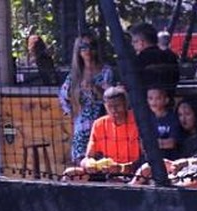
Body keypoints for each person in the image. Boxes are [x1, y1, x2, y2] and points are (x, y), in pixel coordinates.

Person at [58, 34, 114, 165]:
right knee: (81, 164)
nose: (87, 50)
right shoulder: (74, 74)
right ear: (78, 51)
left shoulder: (106, 71)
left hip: (102, 124)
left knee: (103, 164)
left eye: (91, 46)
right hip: (81, 127)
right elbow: (63, 96)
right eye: (83, 47)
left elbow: (111, 97)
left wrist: (95, 88)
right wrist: (71, 111)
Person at [64, 85, 140, 180]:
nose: (114, 110)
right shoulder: (99, 124)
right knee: (70, 174)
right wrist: (88, 164)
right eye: (110, 106)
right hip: (106, 172)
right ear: (105, 106)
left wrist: (121, 168)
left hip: (134, 173)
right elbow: (88, 157)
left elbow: (145, 159)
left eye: (117, 106)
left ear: (126, 104)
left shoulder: (139, 121)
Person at [129, 22, 179, 91]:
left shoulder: (139, 60)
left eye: (134, 41)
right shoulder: (170, 56)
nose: (132, 44)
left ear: (141, 42)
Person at [145, 85, 181, 159]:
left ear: (166, 100)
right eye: (150, 98)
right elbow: (143, 144)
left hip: (170, 158)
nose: (153, 102)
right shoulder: (146, 119)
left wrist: (152, 143)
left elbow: (172, 143)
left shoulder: (173, 118)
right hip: (151, 159)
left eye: (158, 98)